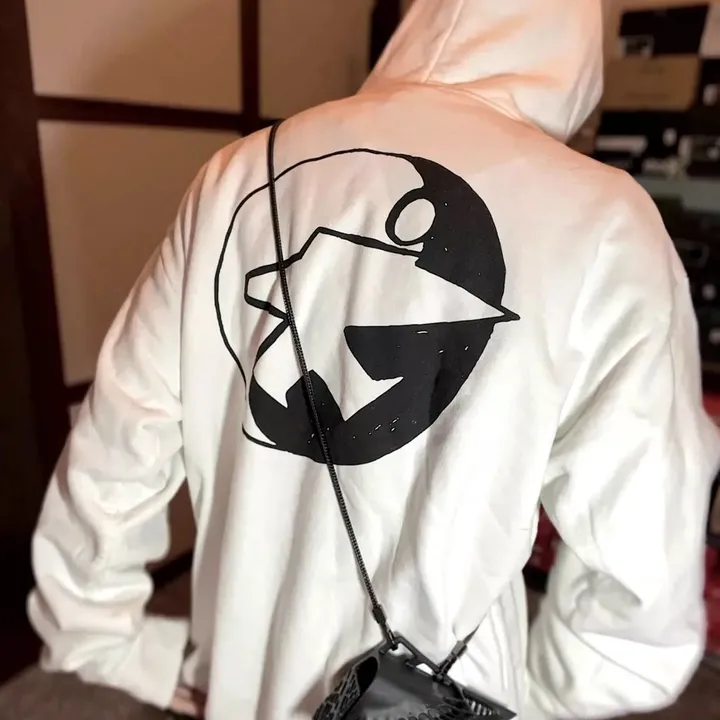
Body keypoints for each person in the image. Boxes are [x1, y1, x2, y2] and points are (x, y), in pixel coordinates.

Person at [28, 1, 720, 718]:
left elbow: (120, 438)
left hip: (242, 666)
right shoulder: (604, 223)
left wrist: (106, 636)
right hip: (452, 688)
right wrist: (543, 696)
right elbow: (644, 566)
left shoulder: (239, 172)